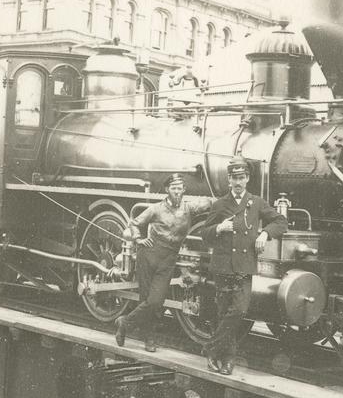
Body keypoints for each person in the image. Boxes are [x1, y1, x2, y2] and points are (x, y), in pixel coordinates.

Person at [197, 157, 287, 374]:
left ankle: (210, 347)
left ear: (247, 179)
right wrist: (219, 228)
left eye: (242, 177)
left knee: (239, 310)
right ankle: (228, 360)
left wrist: (265, 233)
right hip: (223, 266)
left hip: (244, 267)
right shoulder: (219, 204)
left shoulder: (256, 202)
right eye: (234, 178)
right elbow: (204, 234)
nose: (238, 182)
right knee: (223, 312)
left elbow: (281, 222)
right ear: (229, 180)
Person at [116, 174, 209, 352]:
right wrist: (138, 239)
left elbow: (208, 203)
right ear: (167, 190)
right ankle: (149, 339)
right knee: (146, 299)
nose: (177, 191)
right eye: (173, 188)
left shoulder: (189, 208)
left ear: (184, 190)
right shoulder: (156, 209)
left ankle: (124, 322)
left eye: (180, 188)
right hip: (149, 254)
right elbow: (134, 224)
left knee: (156, 301)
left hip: (168, 259)